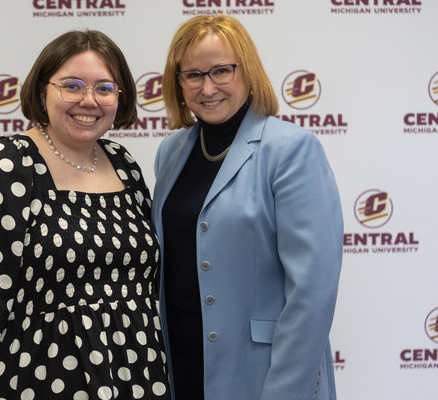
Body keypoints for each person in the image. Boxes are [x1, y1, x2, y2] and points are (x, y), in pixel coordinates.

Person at [0, 29, 170, 400]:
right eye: (72, 86)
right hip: (36, 382)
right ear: (43, 91)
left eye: (105, 88)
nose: (89, 100)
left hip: (135, 380)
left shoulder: (125, 167)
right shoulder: (3, 165)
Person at [152, 15, 343, 400]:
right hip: (182, 367)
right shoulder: (171, 152)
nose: (208, 88)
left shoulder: (290, 150)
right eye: (193, 75)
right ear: (179, 83)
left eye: (222, 70)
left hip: (264, 374)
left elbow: (312, 291)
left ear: (248, 71)